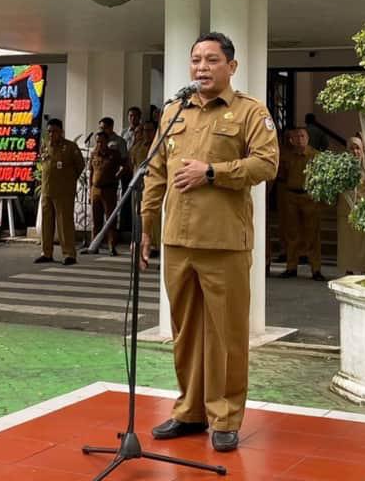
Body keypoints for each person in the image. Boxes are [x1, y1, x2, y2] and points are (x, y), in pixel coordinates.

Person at [140, 32, 278, 452]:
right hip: (177, 240)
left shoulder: (250, 111)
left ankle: (225, 416)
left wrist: (213, 173)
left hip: (224, 242)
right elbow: (155, 172)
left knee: (226, 334)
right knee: (184, 332)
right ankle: (189, 411)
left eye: (212, 59)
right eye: (196, 59)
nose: (202, 67)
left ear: (231, 66)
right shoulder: (173, 111)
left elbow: (267, 164)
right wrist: (146, 226)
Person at [278, 127, 326, 281]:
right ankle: (291, 267)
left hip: (309, 196)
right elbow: (282, 176)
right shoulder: (287, 155)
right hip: (291, 196)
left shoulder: (316, 156)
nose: (300, 139)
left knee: (312, 234)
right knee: (292, 234)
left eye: (302, 136)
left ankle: (316, 269)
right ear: (291, 140)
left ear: (308, 138)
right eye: (296, 136)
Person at [36, 118, 85, 265]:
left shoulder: (70, 147)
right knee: (46, 223)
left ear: (61, 132)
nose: (51, 134)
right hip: (47, 190)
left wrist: (69, 180)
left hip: (63, 191)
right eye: (49, 131)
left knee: (64, 224)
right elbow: (43, 164)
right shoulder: (45, 146)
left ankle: (69, 254)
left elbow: (80, 165)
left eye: (54, 131)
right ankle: (46, 252)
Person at [336, 136, 365, 275]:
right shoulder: (341, 165)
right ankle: (348, 270)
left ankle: (364, 270)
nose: (355, 152)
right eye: (352, 148)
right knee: (347, 243)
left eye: (358, 148)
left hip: (364, 210)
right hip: (346, 210)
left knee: (364, 243)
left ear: (363, 149)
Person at [83, 131, 125, 256]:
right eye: (97, 142)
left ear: (107, 142)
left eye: (102, 142)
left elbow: (125, 166)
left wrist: (117, 176)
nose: (99, 144)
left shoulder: (114, 154)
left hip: (109, 189)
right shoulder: (94, 154)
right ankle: (94, 245)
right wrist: (90, 190)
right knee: (96, 220)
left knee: (110, 219)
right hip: (96, 189)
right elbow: (91, 172)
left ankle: (112, 246)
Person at [129, 120, 160, 256]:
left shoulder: (159, 146)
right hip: (138, 187)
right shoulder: (137, 147)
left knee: (155, 217)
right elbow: (131, 163)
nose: (146, 133)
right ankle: (139, 243)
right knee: (138, 214)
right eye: (144, 131)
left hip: (154, 186)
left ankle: (156, 245)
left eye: (149, 130)